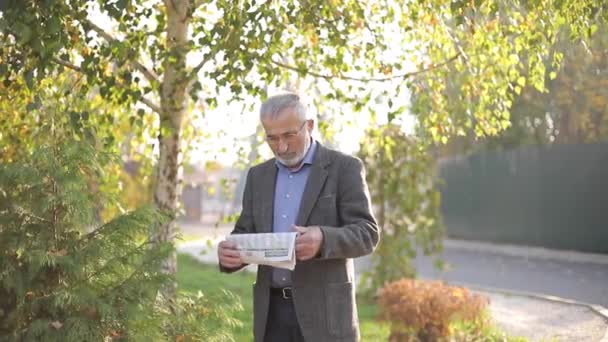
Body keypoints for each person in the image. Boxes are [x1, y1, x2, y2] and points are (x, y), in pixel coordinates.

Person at [217, 93, 379, 342]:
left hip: (326, 315)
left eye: (288, 136)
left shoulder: (344, 168)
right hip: (271, 316)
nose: (281, 147)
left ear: (310, 125)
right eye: (272, 138)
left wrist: (323, 238)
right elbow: (245, 232)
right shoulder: (257, 177)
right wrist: (229, 255)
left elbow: (367, 233)